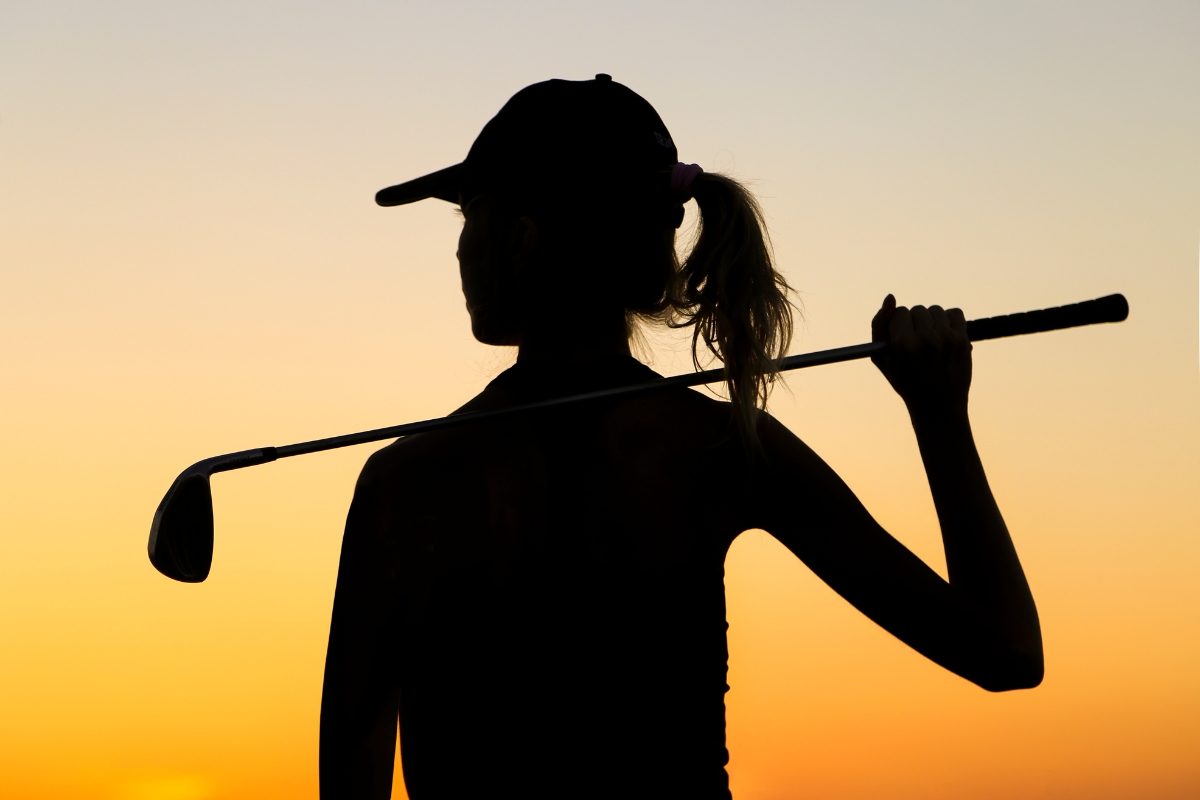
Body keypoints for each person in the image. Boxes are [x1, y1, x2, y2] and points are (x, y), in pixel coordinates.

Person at [318, 75, 1043, 800]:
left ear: (518, 238)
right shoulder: (721, 447)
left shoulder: (407, 484)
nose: (459, 251)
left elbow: (349, 782)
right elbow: (1004, 650)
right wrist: (939, 415)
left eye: (467, 218)